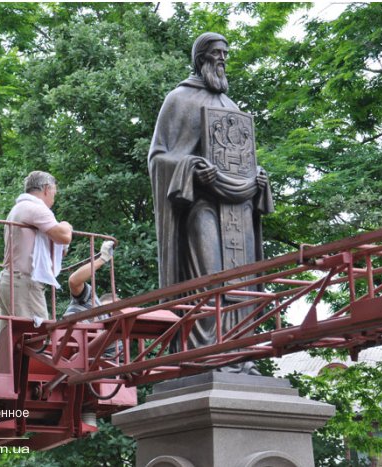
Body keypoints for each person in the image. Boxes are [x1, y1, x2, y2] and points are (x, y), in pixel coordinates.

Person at [147, 32, 274, 374]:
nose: (222, 59)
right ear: (201, 58)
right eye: (216, 53)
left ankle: (240, 352)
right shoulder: (179, 100)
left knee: (242, 280)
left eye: (226, 54)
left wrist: (259, 180)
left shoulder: (232, 109)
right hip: (201, 206)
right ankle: (204, 354)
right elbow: (159, 159)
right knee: (210, 275)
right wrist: (191, 167)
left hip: (238, 209)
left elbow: (243, 161)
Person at [0, 171, 73, 339]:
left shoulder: (19, 208)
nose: (54, 197)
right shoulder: (35, 208)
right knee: (39, 339)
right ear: (46, 189)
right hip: (24, 283)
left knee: (10, 342)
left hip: (9, 281)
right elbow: (64, 236)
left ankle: (5, 366)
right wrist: (66, 225)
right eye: (54, 192)